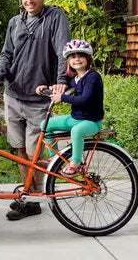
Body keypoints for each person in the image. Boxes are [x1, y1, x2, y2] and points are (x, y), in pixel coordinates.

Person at [0, 0, 71, 221]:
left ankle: (34, 197)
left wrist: (61, 82)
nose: (29, 0)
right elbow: (6, 54)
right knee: (19, 150)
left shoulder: (55, 18)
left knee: (34, 153)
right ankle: (30, 197)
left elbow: (64, 51)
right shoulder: (15, 22)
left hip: (38, 97)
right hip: (13, 94)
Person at [36, 40, 103, 177]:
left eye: (80, 55)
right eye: (72, 57)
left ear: (88, 58)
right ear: (68, 61)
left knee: (77, 131)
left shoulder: (93, 77)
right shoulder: (75, 78)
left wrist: (62, 98)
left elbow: (85, 100)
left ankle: (76, 162)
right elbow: (63, 87)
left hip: (91, 122)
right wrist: (47, 88)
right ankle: (56, 158)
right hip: (75, 118)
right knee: (45, 124)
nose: (76, 59)